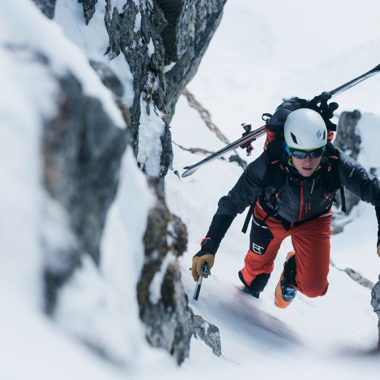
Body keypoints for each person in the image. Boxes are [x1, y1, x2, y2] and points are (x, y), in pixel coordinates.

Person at [191, 97, 380, 309]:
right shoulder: (268, 164)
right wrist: (209, 246)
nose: (308, 162)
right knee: (254, 279)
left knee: (314, 288)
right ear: (289, 149)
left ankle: (291, 272)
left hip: (314, 222)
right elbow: (232, 203)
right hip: (270, 217)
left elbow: (376, 193)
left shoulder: (335, 163)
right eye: (300, 154)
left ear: (323, 148)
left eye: (315, 153)